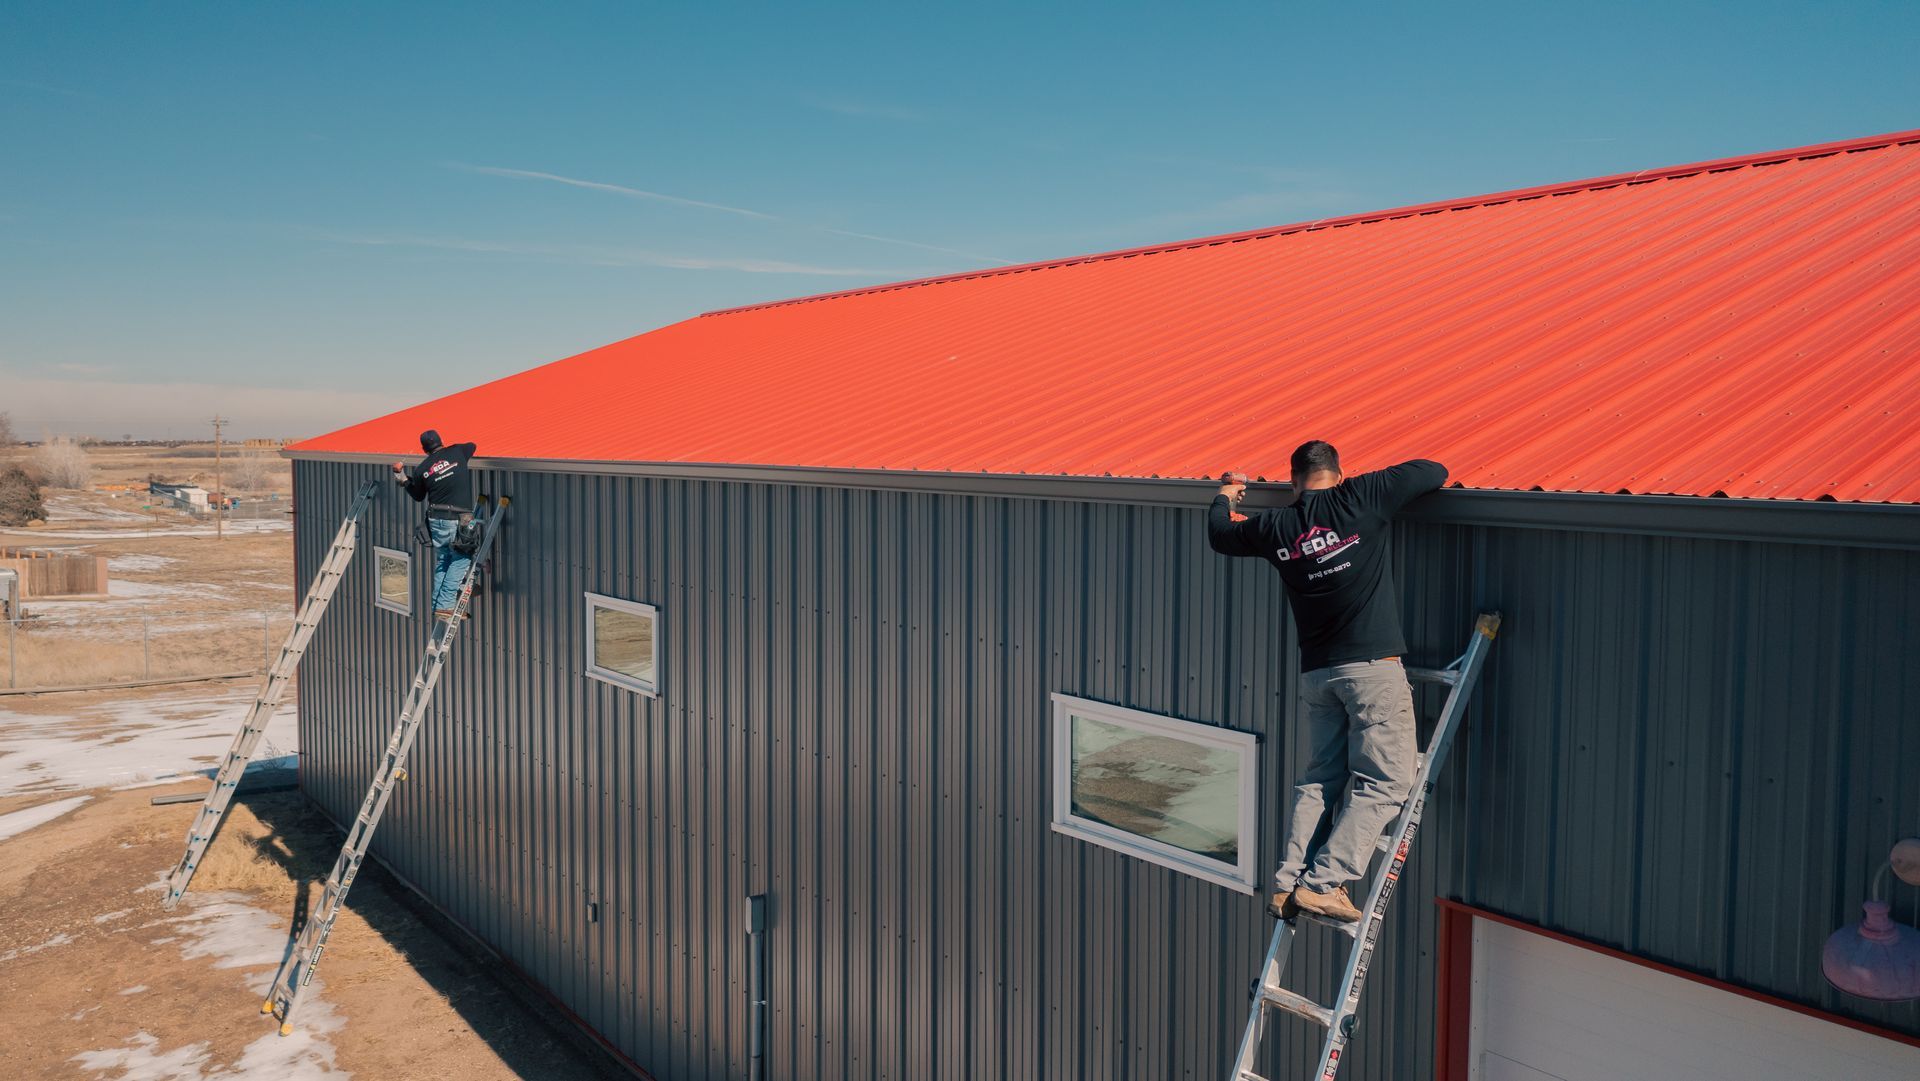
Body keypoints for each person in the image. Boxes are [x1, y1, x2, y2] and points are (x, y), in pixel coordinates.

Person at [1206, 441, 1446, 923]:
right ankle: (1324, 883)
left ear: (1293, 482)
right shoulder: (1360, 497)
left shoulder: (1276, 526)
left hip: (1319, 675)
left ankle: (1287, 882)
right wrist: (1361, 485)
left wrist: (1227, 495)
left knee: (1321, 780)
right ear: (1338, 474)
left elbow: (1220, 535)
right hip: (1373, 671)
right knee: (1387, 780)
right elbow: (1432, 469)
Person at [391, 430, 478, 621]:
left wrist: (401, 477)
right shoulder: (458, 451)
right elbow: (473, 445)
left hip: (436, 518)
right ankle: (446, 606)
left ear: (424, 449)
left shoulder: (422, 469)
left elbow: (417, 495)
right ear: (441, 441)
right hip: (457, 517)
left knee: (444, 560)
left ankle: (440, 605)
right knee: (461, 558)